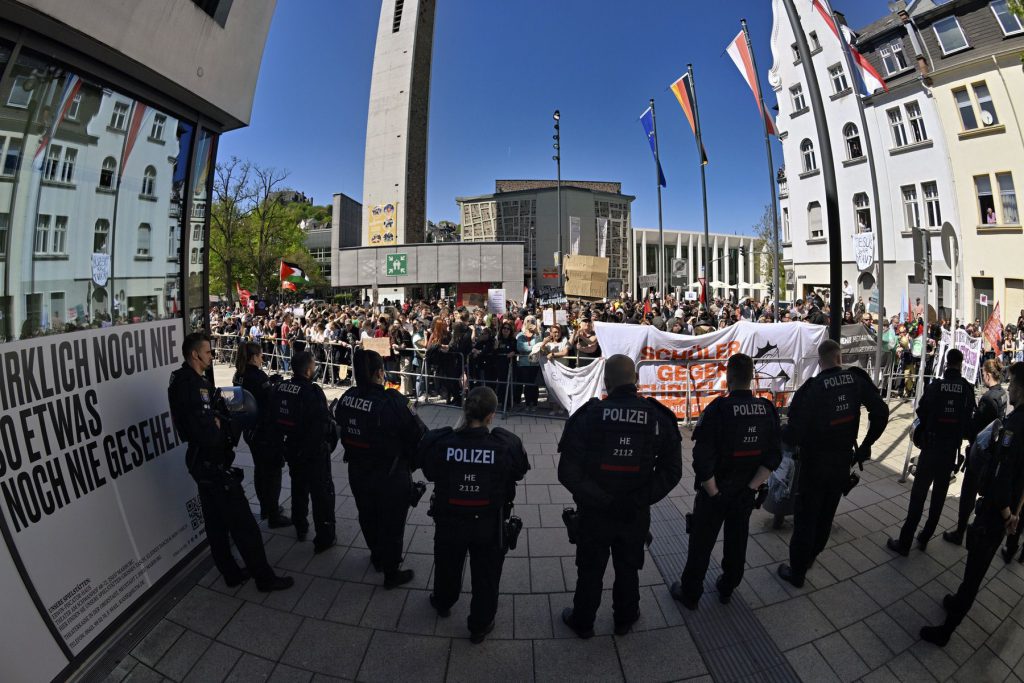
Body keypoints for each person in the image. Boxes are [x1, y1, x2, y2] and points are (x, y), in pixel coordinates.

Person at [558, 355, 682, 637]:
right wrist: (637, 499)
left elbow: (568, 471)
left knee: (590, 568)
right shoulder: (656, 417)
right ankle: (624, 619)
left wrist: (603, 500)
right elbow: (672, 471)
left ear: (606, 382)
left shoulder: (589, 415)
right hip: (634, 512)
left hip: (595, 511)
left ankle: (583, 621)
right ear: (636, 381)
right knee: (628, 566)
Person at [167, 332, 293, 592]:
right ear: (195, 355)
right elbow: (209, 433)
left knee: (215, 524)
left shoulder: (182, 379)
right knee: (244, 525)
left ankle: (231, 573)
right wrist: (226, 426)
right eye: (208, 352)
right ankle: (264, 578)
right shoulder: (192, 385)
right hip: (213, 465)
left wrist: (217, 418)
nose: (212, 355)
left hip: (201, 463)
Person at [920, 362, 1024, 646]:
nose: (1010, 387)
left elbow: (1001, 475)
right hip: (1007, 512)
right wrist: (1015, 513)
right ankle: (956, 600)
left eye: (1014, 384)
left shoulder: (1015, 426)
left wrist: (1005, 512)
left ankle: (946, 630)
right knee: (975, 566)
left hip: (994, 513)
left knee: (975, 572)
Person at [417, 387, 529, 643]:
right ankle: (479, 625)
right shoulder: (504, 444)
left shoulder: (442, 442)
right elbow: (520, 471)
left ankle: (443, 602)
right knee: (487, 575)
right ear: (491, 416)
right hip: (489, 523)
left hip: (450, 520)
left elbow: (429, 471)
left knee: (447, 563)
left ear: (465, 411)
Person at [671, 354, 781, 608]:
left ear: (729, 377)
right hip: (745, 492)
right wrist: (751, 488)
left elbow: (702, 458)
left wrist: (714, 493)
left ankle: (690, 594)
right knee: (737, 540)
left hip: (715, 493)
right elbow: (773, 455)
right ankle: (728, 585)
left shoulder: (718, 409)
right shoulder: (766, 409)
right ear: (751, 377)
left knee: (701, 543)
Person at [778, 339, 888, 588]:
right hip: (842, 462)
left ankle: (797, 572)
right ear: (840, 358)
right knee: (826, 514)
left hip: (814, 465)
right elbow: (881, 412)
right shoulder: (856, 380)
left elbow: (794, 433)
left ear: (820, 361)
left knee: (806, 517)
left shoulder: (812, 388)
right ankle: (811, 557)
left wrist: (779, 432)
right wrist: (866, 445)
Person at [336, 349, 426, 588]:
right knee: (392, 523)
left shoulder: (346, 397)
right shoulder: (393, 401)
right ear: (379, 372)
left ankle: (377, 556)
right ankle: (391, 571)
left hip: (357, 470)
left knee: (368, 515)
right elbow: (419, 434)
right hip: (390, 474)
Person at [887, 349, 976, 556]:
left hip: (931, 448)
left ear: (947, 363)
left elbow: (921, 411)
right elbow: (969, 420)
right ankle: (925, 537)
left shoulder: (936, 386)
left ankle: (905, 543)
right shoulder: (966, 389)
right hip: (949, 452)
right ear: (961, 364)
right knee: (938, 498)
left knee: (918, 496)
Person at [268, 350, 338, 552]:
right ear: (308, 369)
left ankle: (300, 526)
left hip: (291, 448)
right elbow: (322, 425)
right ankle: (324, 537)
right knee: (321, 495)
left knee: (298, 488)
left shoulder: (280, 387)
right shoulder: (312, 391)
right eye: (314, 365)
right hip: (313, 452)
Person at [944, 358, 1007, 546]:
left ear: (987, 375)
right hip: (990, 451)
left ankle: (960, 533)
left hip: (980, 453)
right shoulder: (1002, 394)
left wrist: (968, 418)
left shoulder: (988, 399)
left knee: (968, 495)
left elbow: (975, 429)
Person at [233, 342, 290, 528]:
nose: (262, 358)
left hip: (250, 431)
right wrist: (274, 386)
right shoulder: (257, 376)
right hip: (265, 432)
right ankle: (273, 513)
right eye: (259, 355)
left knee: (260, 469)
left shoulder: (238, 375)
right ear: (253, 357)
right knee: (272, 472)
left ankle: (266, 507)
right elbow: (269, 402)